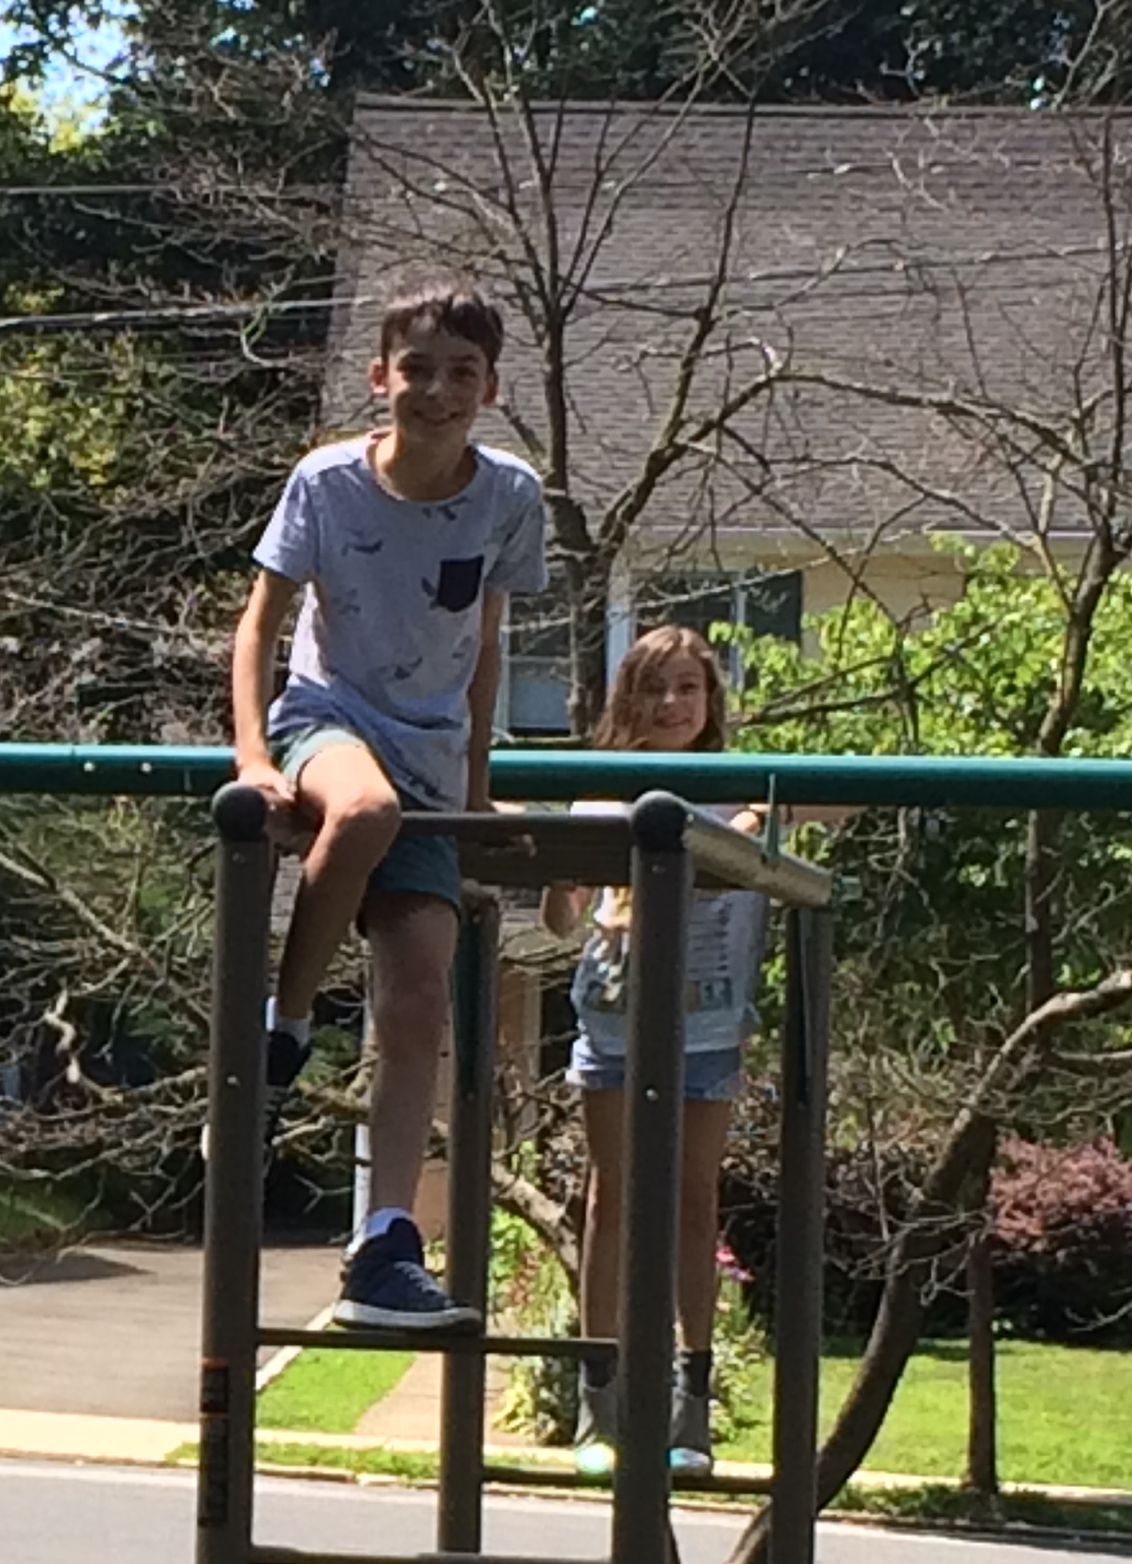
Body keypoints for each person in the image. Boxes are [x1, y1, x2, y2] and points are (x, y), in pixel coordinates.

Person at [233, 281, 548, 1330]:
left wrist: (476, 792)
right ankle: (282, 1030)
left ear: (490, 390)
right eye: (417, 369)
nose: (437, 391)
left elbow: (487, 644)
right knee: (360, 813)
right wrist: (254, 756)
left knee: (420, 997)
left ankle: (384, 1245)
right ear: (380, 379)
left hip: (431, 757)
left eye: (462, 373)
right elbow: (261, 623)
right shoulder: (326, 483)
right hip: (326, 720)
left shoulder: (508, 496)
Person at [541, 624, 815, 1474]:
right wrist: (558, 871)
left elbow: (836, 803)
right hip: (616, 1020)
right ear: (628, 699)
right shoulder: (601, 794)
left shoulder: (738, 790)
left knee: (697, 1201)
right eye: (654, 688)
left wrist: (762, 818)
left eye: (687, 688)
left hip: (707, 1025)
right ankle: (599, 1400)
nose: (671, 704)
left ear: (710, 700)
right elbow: (561, 922)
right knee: (610, 1198)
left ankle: (691, 1404)